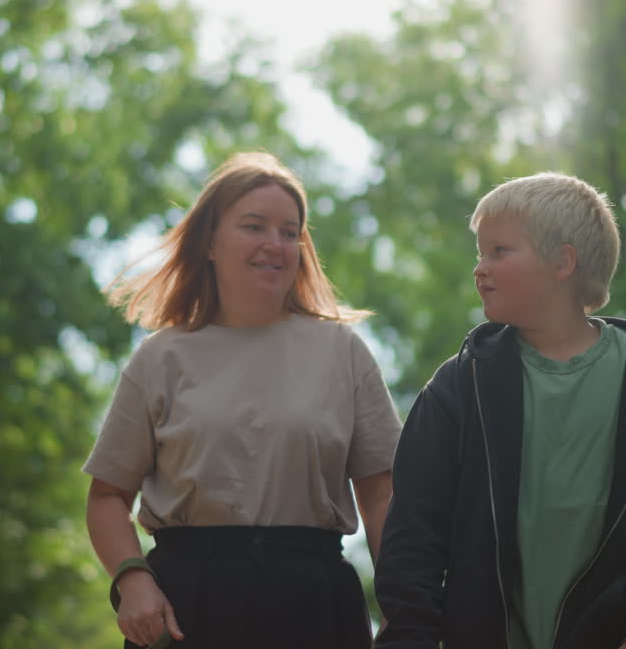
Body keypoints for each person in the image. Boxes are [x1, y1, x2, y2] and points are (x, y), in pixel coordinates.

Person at [374, 172, 626, 649]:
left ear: (563, 262)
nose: (480, 269)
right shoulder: (460, 386)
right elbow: (413, 541)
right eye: (479, 253)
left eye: (499, 251)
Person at [83, 151, 402, 649]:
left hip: (315, 610)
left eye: (288, 231)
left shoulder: (344, 352)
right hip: (186, 610)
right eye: (254, 226)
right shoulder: (160, 357)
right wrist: (132, 581)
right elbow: (107, 497)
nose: (274, 244)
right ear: (209, 241)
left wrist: (405, 611)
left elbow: (382, 495)